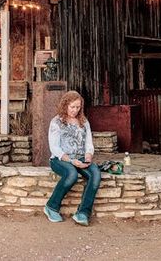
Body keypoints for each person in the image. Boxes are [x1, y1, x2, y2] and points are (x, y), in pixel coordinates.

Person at [44, 90, 100, 226]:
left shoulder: (84, 121)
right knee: (71, 174)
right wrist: (70, 161)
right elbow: (55, 148)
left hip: (80, 158)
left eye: (78, 107)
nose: (75, 110)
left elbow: (88, 143)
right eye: (72, 107)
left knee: (96, 174)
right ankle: (51, 207)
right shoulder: (56, 122)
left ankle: (82, 213)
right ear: (65, 105)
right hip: (60, 159)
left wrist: (88, 155)